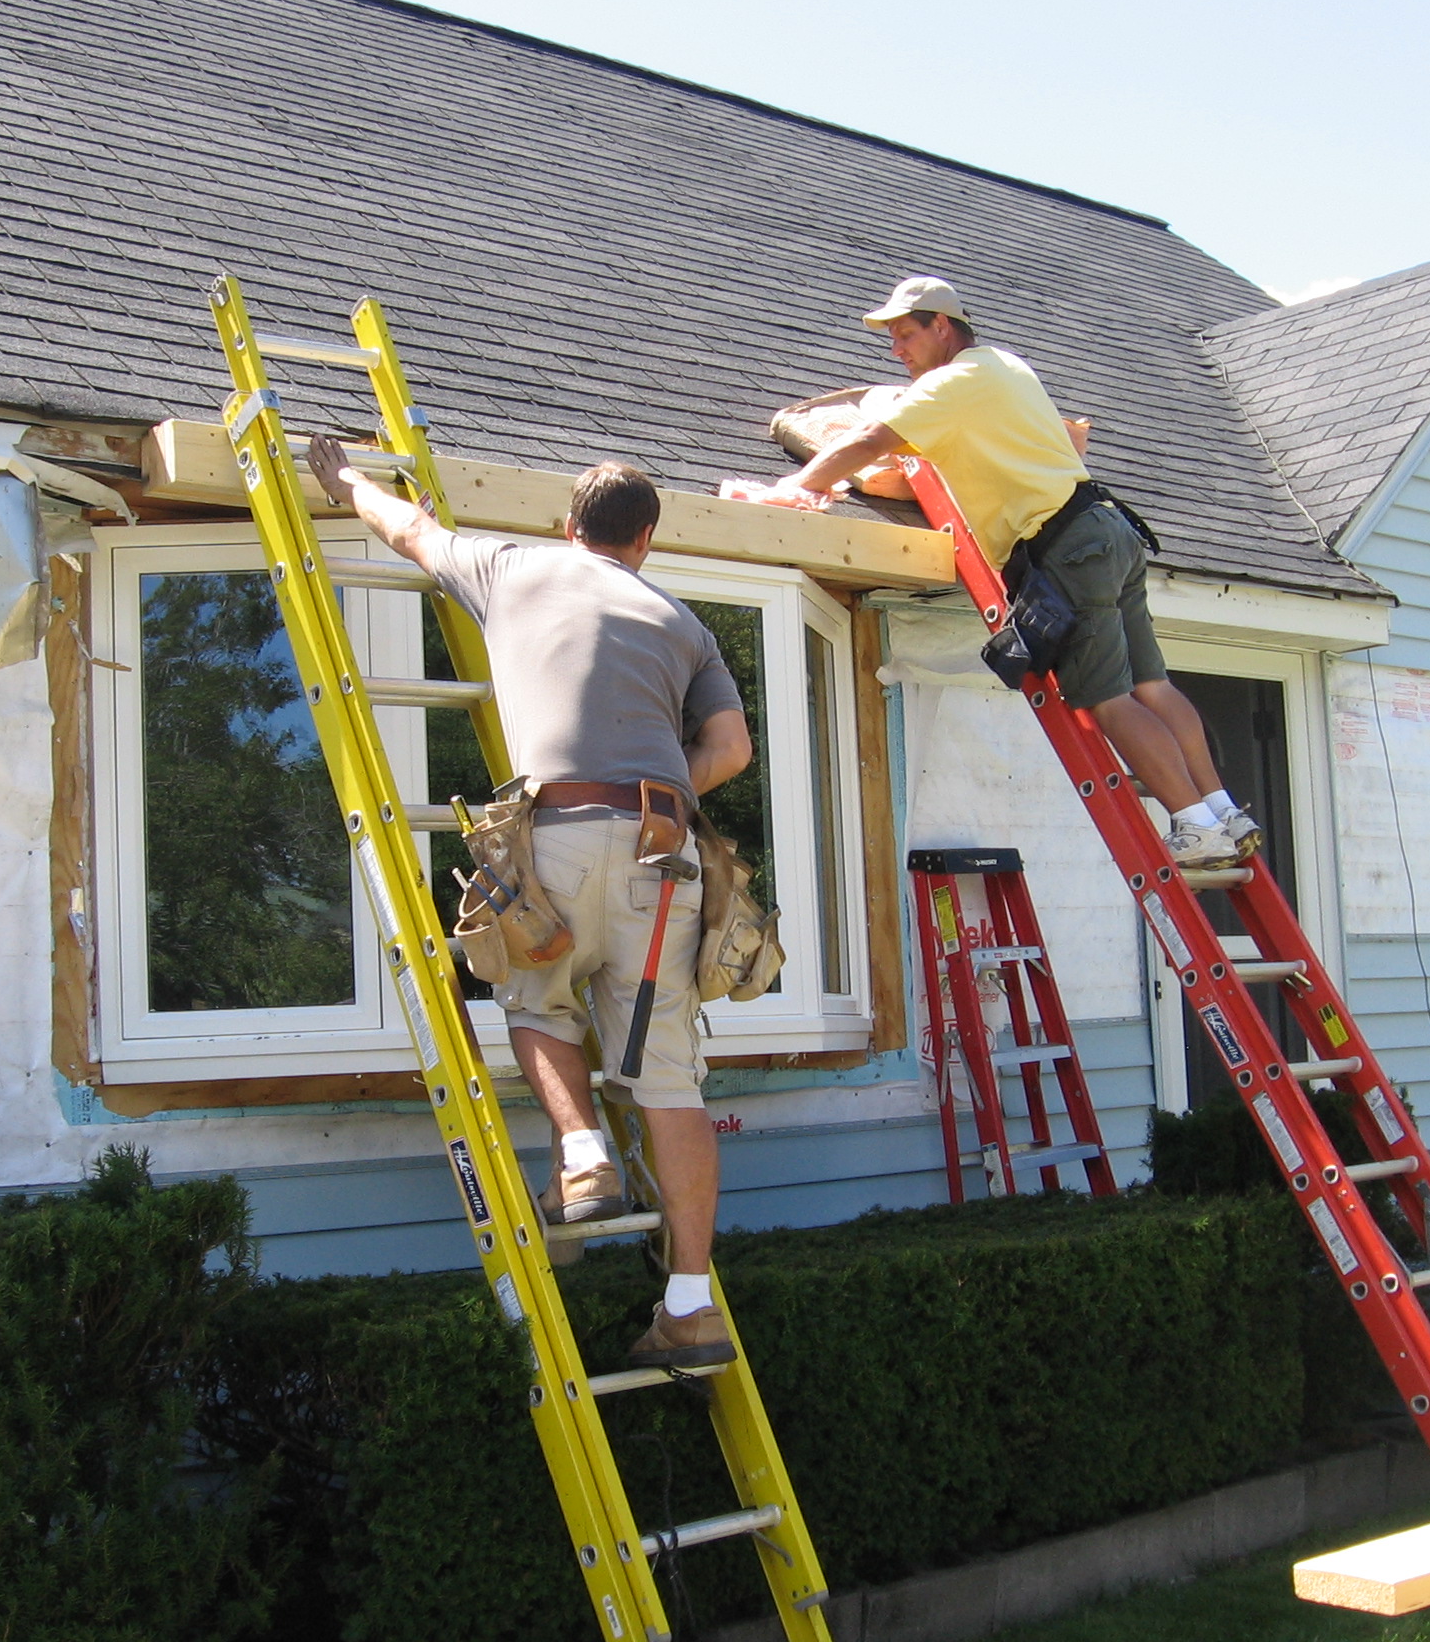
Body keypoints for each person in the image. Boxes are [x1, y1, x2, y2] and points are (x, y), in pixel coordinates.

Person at [305, 435, 754, 1369]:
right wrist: (668, 783)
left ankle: (583, 1152)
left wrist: (343, 477)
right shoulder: (682, 623)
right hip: (660, 853)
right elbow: (733, 749)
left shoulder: (512, 566)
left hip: (554, 835)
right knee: (669, 1078)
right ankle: (689, 1308)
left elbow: (407, 527)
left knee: (533, 994)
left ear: (569, 528)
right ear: (645, 540)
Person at [763, 276, 1256, 870]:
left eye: (905, 334)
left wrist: (793, 487)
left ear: (943, 326)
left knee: (1109, 699)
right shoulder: (1006, 365)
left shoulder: (956, 381)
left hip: (1067, 547)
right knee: (1153, 684)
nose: (897, 350)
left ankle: (1192, 824)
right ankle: (1222, 809)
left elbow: (871, 439)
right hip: (1107, 530)